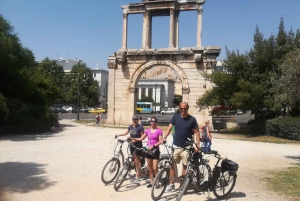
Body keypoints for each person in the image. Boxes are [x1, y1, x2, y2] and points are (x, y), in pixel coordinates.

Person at [162, 102, 200, 192]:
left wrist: (197, 146)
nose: (183, 110)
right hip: (176, 146)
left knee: (184, 166)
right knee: (172, 165)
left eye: (185, 109)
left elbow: (197, 133)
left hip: (186, 147)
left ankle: (182, 185)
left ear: (188, 108)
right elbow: (169, 128)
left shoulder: (192, 119)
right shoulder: (175, 117)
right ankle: (171, 185)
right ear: (179, 109)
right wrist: (164, 137)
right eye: (182, 109)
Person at [129, 117, 163, 188]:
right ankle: (151, 182)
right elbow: (141, 138)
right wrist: (132, 138)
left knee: (155, 168)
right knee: (150, 168)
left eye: (154, 121)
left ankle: (157, 182)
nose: (152, 123)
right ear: (150, 122)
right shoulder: (147, 130)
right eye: (151, 121)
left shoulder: (159, 130)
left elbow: (160, 141)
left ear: (156, 122)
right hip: (148, 150)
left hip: (155, 150)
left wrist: (153, 146)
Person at [116, 115, 144, 183]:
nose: (134, 121)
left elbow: (143, 137)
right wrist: (118, 135)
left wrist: (135, 140)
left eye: (136, 120)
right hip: (131, 145)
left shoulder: (140, 128)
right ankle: (136, 170)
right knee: (134, 159)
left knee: (137, 160)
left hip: (138, 145)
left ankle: (138, 175)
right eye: (133, 120)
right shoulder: (130, 126)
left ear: (137, 120)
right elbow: (126, 132)